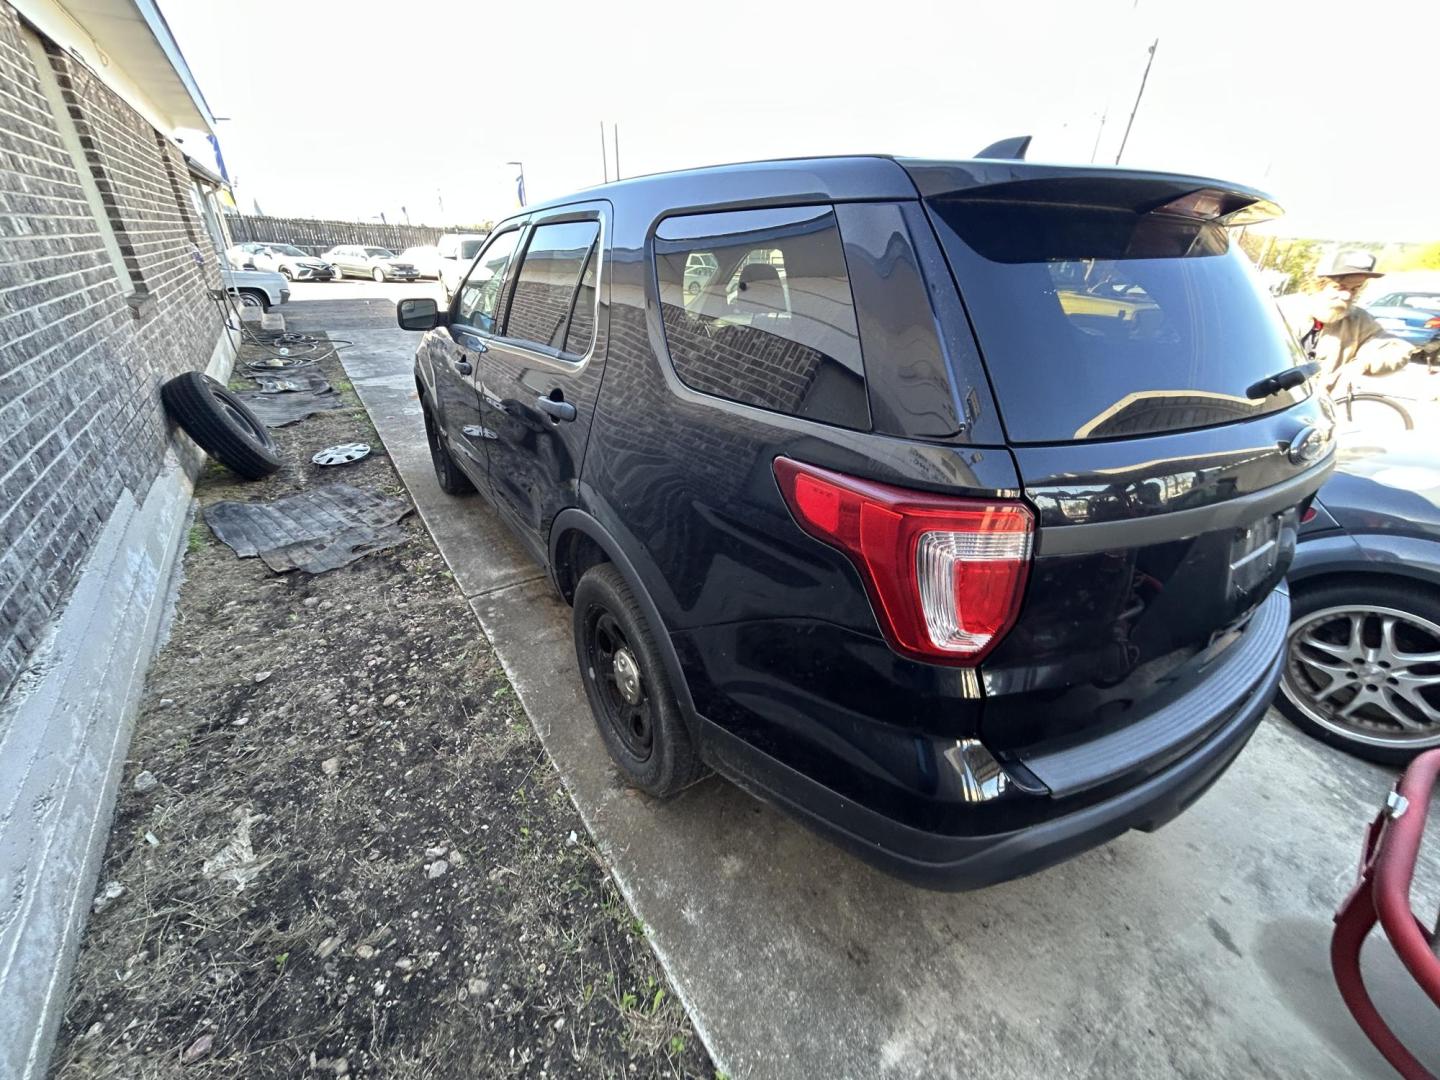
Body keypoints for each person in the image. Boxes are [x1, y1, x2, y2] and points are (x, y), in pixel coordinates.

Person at [1278, 250, 1416, 393]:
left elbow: (1397, 348)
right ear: (1318, 285)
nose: (1346, 295)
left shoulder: (1358, 320)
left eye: (1355, 289)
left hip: (1312, 405)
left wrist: (1363, 364)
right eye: (1339, 287)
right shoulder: (1282, 310)